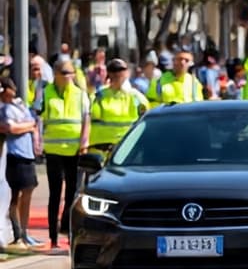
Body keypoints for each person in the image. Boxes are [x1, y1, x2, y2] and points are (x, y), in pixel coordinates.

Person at [40, 57, 91, 249]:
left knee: (72, 193)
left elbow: (86, 118)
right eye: (65, 73)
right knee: (54, 194)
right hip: (53, 150)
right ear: (55, 75)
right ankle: (53, 237)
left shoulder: (80, 94)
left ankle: (69, 233)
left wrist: (84, 143)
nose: (69, 76)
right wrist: (39, 141)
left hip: (74, 151)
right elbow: (39, 118)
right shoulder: (46, 93)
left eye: (71, 73)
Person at [0, 76, 43, 248]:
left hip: (27, 154)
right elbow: (10, 128)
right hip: (13, 155)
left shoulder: (18, 104)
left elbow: (33, 121)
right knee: (14, 197)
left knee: (28, 192)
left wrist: (26, 125)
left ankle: (25, 232)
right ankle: (17, 234)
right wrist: (27, 126)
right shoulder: (4, 108)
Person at [90, 58, 149, 153]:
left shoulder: (137, 97)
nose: (117, 73)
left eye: (121, 69)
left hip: (128, 150)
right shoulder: (99, 96)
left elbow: (146, 123)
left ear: (127, 72)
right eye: (113, 69)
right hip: (100, 150)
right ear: (108, 73)